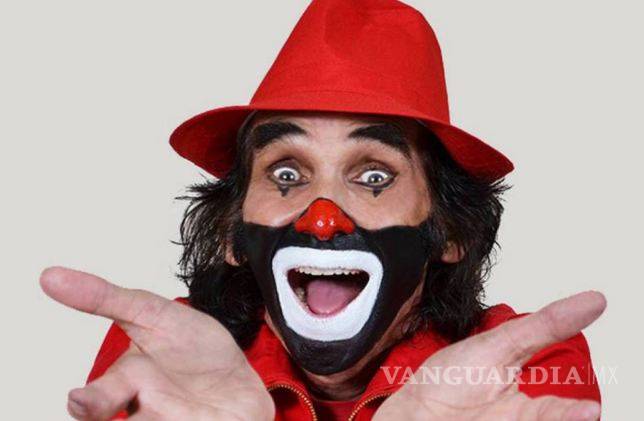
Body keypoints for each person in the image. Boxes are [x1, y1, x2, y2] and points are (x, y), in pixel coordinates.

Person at [40, 0, 606, 420]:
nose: (322, 217)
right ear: (233, 232)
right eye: (286, 174)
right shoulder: (164, 353)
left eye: (374, 176)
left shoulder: (521, 362)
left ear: (449, 230)